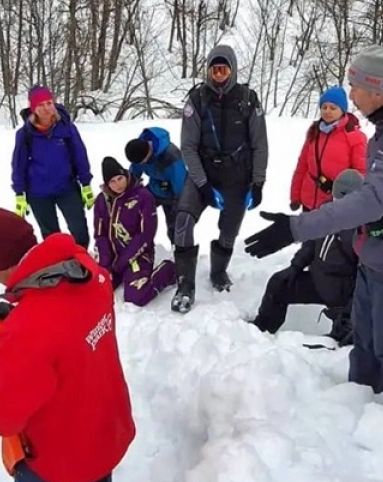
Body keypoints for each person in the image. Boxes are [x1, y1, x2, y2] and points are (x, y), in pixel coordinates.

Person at [244, 45, 383, 432]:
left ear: (379, 89)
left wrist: (296, 227)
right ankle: (358, 401)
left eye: (355, 87)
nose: (351, 97)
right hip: (375, 252)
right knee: (366, 336)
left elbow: (372, 199)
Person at [0, 208, 136, 482]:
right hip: (105, 433)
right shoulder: (89, 274)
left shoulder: (28, 329)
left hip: (60, 460)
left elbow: (3, 413)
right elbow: (68, 340)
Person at [171, 44, 269, 312]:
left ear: (232, 70)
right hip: (203, 171)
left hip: (237, 174)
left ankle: (218, 272)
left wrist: (258, 182)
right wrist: (202, 184)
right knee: (183, 220)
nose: (219, 74)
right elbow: (188, 146)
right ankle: (185, 284)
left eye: (224, 69)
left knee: (229, 231)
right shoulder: (197, 100)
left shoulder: (248, 99)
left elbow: (260, 143)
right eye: (215, 69)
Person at [251, 169, 363, 345]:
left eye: (344, 199)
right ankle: (260, 331)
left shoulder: (363, 226)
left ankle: (340, 340)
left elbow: (365, 275)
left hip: (342, 289)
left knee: (342, 336)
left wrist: (350, 311)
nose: (338, 202)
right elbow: (311, 244)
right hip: (317, 280)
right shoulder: (326, 212)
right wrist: (295, 267)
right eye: (336, 196)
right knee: (278, 284)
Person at [11, 85, 95, 248]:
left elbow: (80, 155)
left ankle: (82, 262)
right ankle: (60, 267)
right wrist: (19, 193)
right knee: (51, 237)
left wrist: (85, 184)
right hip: (38, 193)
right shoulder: (25, 134)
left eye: (49, 103)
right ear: (33, 108)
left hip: (67, 188)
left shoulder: (66, 128)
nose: (46, 108)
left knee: (79, 231)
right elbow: (18, 164)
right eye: (40, 105)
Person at [94, 157, 178, 307]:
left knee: (136, 297)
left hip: (138, 254)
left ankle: (169, 270)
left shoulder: (143, 196)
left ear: (126, 175)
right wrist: (105, 264)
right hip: (113, 256)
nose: (118, 184)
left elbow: (146, 235)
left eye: (120, 178)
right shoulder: (102, 200)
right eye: (112, 182)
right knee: (97, 291)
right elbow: (100, 234)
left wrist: (122, 262)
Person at [289, 86, 368, 212]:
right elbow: (302, 166)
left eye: (333, 108)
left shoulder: (354, 136)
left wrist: (353, 201)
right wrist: (295, 196)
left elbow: (361, 173)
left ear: (342, 110)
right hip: (309, 201)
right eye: (324, 107)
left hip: (336, 206)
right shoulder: (314, 132)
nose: (327, 111)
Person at [124, 126, 188, 246]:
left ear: (148, 153)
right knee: (133, 211)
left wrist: (178, 205)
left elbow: (181, 185)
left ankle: (178, 251)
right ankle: (134, 243)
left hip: (174, 194)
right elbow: (134, 174)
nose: (142, 164)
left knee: (174, 227)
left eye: (143, 162)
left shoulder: (171, 156)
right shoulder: (139, 151)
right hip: (155, 188)